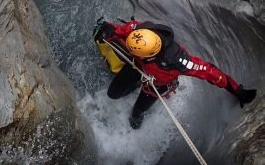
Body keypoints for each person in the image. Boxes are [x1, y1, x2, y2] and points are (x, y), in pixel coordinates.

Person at [93, 17, 257, 129]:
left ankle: (137, 112)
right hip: (138, 66)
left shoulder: (177, 61)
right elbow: (124, 30)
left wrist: (237, 91)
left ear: (150, 55)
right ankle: (137, 84)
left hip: (157, 84)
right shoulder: (142, 31)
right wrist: (108, 29)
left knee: (136, 115)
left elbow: (211, 72)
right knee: (113, 94)